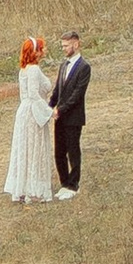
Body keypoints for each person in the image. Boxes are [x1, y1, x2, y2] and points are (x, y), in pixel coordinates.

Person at [4, 36, 58, 204]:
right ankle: (33, 190)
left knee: (25, 148)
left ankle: (24, 187)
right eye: (43, 48)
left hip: (24, 111)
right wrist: (49, 112)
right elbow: (34, 94)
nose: (45, 50)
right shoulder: (33, 70)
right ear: (36, 52)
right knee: (34, 148)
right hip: (32, 113)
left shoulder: (24, 70)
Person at [50, 33, 91, 196]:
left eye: (66, 45)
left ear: (76, 44)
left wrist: (61, 109)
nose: (64, 49)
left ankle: (73, 185)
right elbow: (57, 91)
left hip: (73, 117)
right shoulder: (63, 65)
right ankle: (64, 183)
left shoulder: (84, 67)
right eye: (62, 46)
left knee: (73, 151)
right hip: (60, 117)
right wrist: (49, 107)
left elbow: (78, 94)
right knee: (59, 151)